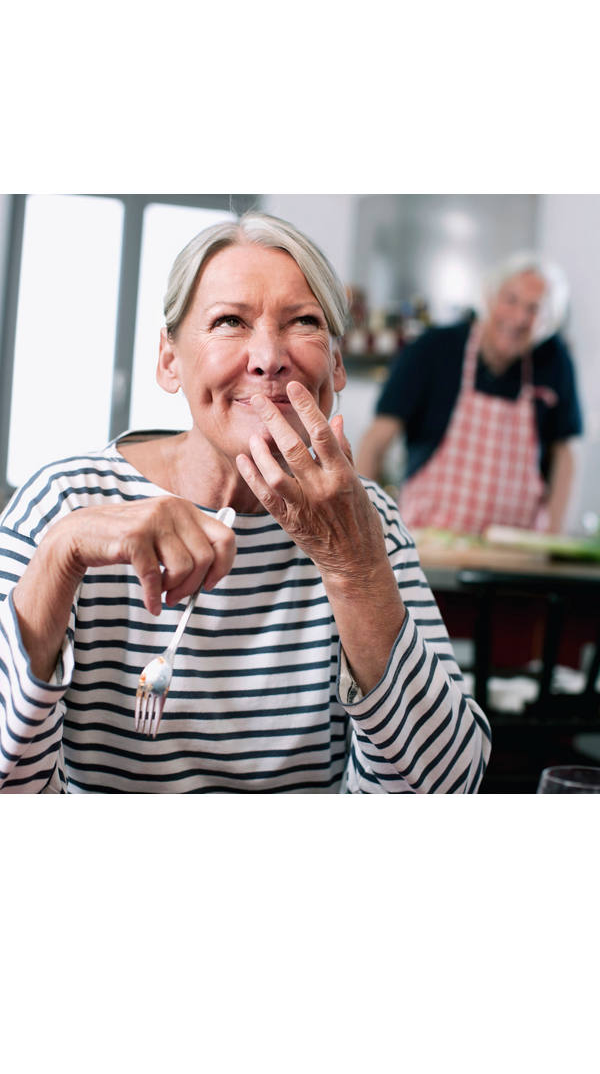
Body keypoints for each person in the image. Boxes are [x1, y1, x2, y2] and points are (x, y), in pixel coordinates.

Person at [0, 212, 491, 794]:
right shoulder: (63, 504)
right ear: (169, 360)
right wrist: (58, 558)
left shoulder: (368, 522)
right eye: (229, 321)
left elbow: (448, 788)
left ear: (335, 364)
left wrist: (354, 570)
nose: (268, 358)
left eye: (303, 322)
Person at [356, 252, 583, 535]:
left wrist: (554, 534)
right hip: (427, 546)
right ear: (489, 297)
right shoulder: (433, 349)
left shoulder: (554, 360)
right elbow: (375, 441)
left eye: (534, 309)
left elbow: (566, 454)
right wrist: (370, 530)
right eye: (510, 300)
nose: (519, 318)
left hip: (518, 552)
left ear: (547, 323)